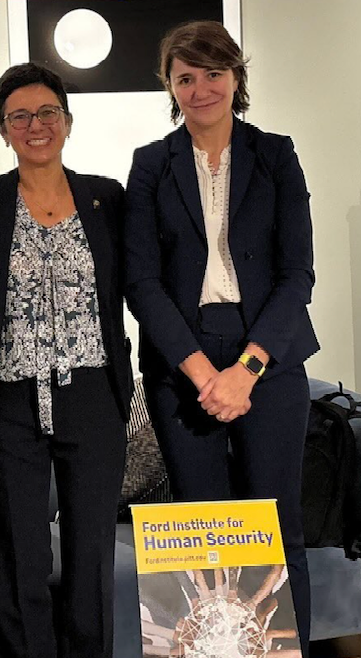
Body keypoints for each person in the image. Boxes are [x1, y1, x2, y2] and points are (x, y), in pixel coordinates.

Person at [124, 21, 318, 657]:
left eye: (213, 73)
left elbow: (297, 275)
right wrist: (205, 374)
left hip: (269, 355)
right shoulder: (152, 164)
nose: (200, 88)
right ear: (169, 86)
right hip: (184, 360)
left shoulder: (275, 154)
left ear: (236, 78)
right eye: (186, 77)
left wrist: (246, 370)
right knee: (205, 537)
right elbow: (142, 282)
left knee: (278, 533)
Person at [0, 62, 133, 658]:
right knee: (19, 552)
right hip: (10, 401)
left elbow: (144, 279)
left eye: (47, 112)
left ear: (67, 122)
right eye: (18, 116)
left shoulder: (107, 197)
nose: (35, 124)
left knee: (90, 552)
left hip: (93, 394)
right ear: (3, 130)